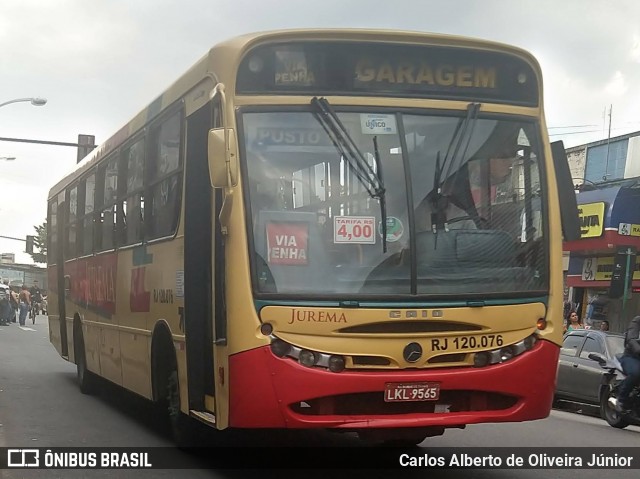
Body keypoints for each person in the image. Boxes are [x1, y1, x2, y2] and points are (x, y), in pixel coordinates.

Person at [616, 315, 640, 413]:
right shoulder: (637, 321)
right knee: (636, 373)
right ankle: (621, 399)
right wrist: (638, 349)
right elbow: (631, 339)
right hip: (632, 356)